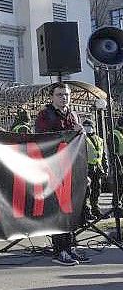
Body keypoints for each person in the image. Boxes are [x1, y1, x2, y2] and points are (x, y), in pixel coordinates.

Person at [34, 83, 89, 266]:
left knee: (71, 209)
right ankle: (60, 250)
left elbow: (78, 140)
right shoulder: (45, 115)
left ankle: (70, 247)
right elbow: (41, 138)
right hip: (54, 168)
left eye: (66, 95)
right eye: (59, 95)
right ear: (52, 97)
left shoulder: (73, 114)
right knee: (57, 211)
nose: (64, 98)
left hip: (71, 168)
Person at [82, 119, 107, 220]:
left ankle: (95, 209)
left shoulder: (99, 139)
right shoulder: (81, 138)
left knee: (97, 190)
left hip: (98, 168)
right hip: (87, 168)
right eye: (85, 126)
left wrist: (106, 168)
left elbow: (103, 155)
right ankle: (86, 211)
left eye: (89, 126)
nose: (87, 128)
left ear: (93, 127)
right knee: (86, 191)